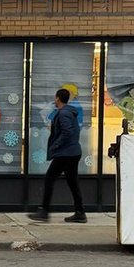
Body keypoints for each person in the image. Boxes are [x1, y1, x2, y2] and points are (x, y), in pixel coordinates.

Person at [28, 88, 86, 223]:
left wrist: (56, 145)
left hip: (65, 153)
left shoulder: (63, 113)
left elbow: (67, 132)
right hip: (72, 152)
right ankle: (80, 212)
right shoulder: (69, 112)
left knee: (49, 179)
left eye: (55, 98)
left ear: (58, 98)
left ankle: (44, 211)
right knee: (72, 182)